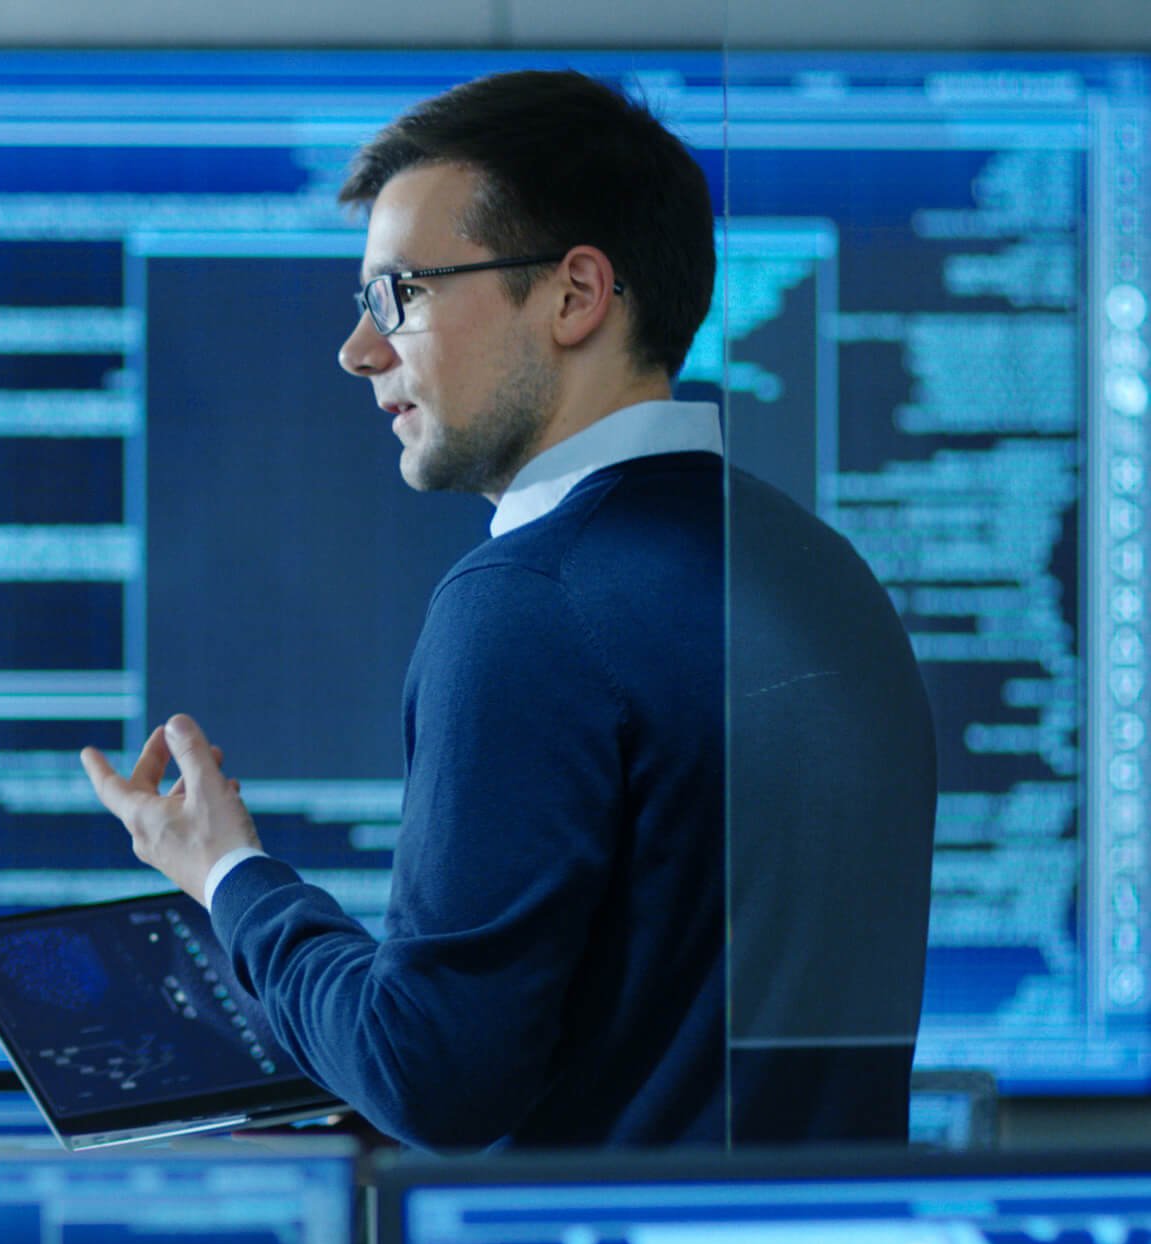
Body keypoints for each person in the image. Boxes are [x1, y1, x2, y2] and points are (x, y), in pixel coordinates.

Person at [83, 70, 936, 1148]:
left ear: (575, 295)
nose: (359, 351)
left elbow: (428, 1077)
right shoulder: (815, 567)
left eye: (400, 295)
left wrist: (227, 875)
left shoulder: (529, 602)